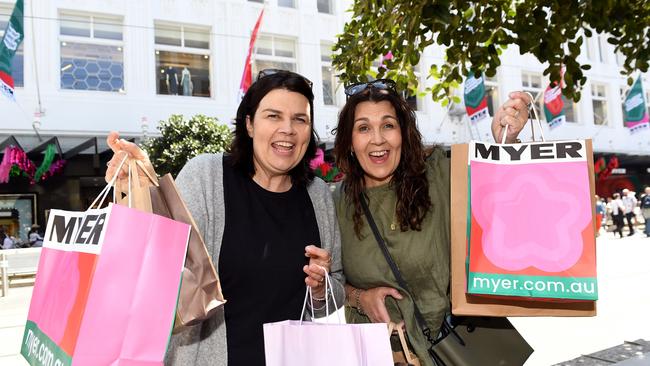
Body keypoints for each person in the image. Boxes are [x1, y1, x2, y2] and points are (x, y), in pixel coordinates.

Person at [105, 70, 345, 366]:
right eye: (273, 116)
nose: (288, 129)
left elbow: (335, 286)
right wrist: (139, 188)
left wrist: (321, 288)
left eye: (300, 119)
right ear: (249, 124)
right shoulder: (206, 176)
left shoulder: (318, 195)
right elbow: (160, 263)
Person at [332, 79, 529, 365]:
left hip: (452, 349)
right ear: (350, 141)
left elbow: (496, 195)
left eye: (388, 125)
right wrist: (359, 297)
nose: (377, 139)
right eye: (363, 128)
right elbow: (330, 283)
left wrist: (504, 141)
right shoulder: (337, 202)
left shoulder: (438, 174)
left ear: (403, 132)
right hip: (381, 356)